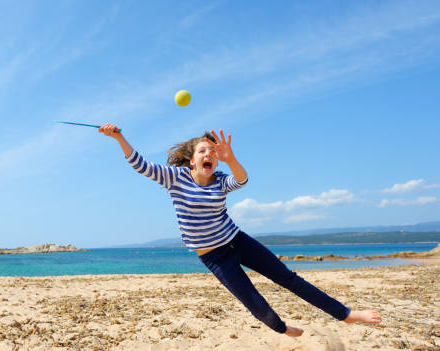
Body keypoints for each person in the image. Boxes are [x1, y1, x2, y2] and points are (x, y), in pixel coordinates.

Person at [99, 123, 381, 337]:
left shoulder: (221, 178)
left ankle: (345, 314)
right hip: (214, 257)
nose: (208, 154)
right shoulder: (175, 177)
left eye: (213, 152)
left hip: (238, 241)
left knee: (289, 279)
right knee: (256, 304)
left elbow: (242, 180)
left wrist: (230, 158)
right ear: (192, 160)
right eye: (202, 151)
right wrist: (118, 137)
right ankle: (282, 329)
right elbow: (140, 164)